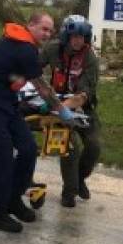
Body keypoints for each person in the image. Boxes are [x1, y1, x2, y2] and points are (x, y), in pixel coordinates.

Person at [0, 12, 76, 233]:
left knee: (28, 149)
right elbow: (42, 86)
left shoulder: (22, 45)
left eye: (50, 30)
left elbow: (17, 78)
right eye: (44, 29)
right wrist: (62, 110)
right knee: (3, 156)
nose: (47, 34)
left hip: (6, 103)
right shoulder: (24, 48)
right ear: (30, 26)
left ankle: (13, 200)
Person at [40, 15, 102, 208]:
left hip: (81, 106)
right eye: (74, 36)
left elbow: (83, 95)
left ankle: (79, 178)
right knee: (70, 146)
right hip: (57, 102)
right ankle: (69, 192)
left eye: (83, 37)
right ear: (66, 36)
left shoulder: (90, 58)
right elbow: (32, 69)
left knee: (94, 145)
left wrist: (61, 108)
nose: (78, 41)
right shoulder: (52, 49)